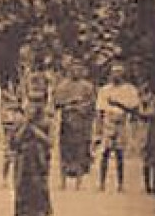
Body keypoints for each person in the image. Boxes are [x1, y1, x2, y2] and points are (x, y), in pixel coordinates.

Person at [10, 92, 54, 216]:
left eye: (38, 101)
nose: (34, 105)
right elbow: (14, 142)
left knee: (39, 194)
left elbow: (50, 142)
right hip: (23, 161)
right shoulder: (19, 121)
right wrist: (26, 125)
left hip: (39, 162)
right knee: (20, 192)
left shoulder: (47, 122)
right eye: (32, 101)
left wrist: (34, 130)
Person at [95, 61, 142, 192]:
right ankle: (102, 183)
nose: (116, 75)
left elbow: (134, 108)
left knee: (119, 153)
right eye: (114, 73)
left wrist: (119, 104)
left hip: (122, 121)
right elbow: (100, 110)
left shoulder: (130, 89)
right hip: (108, 122)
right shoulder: (104, 90)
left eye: (119, 73)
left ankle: (120, 184)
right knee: (105, 152)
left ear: (123, 74)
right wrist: (98, 129)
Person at [54, 59, 97, 190]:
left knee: (80, 152)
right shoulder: (62, 86)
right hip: (66, 124)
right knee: (65, 152)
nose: (76, 71)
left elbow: (92, 104)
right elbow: (57, 102)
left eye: (79, 69)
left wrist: (80, 107)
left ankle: (79, 182)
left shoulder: (87, 86)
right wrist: (70, 104)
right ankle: (63, 182)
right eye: (73, 69)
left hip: (82, 124)